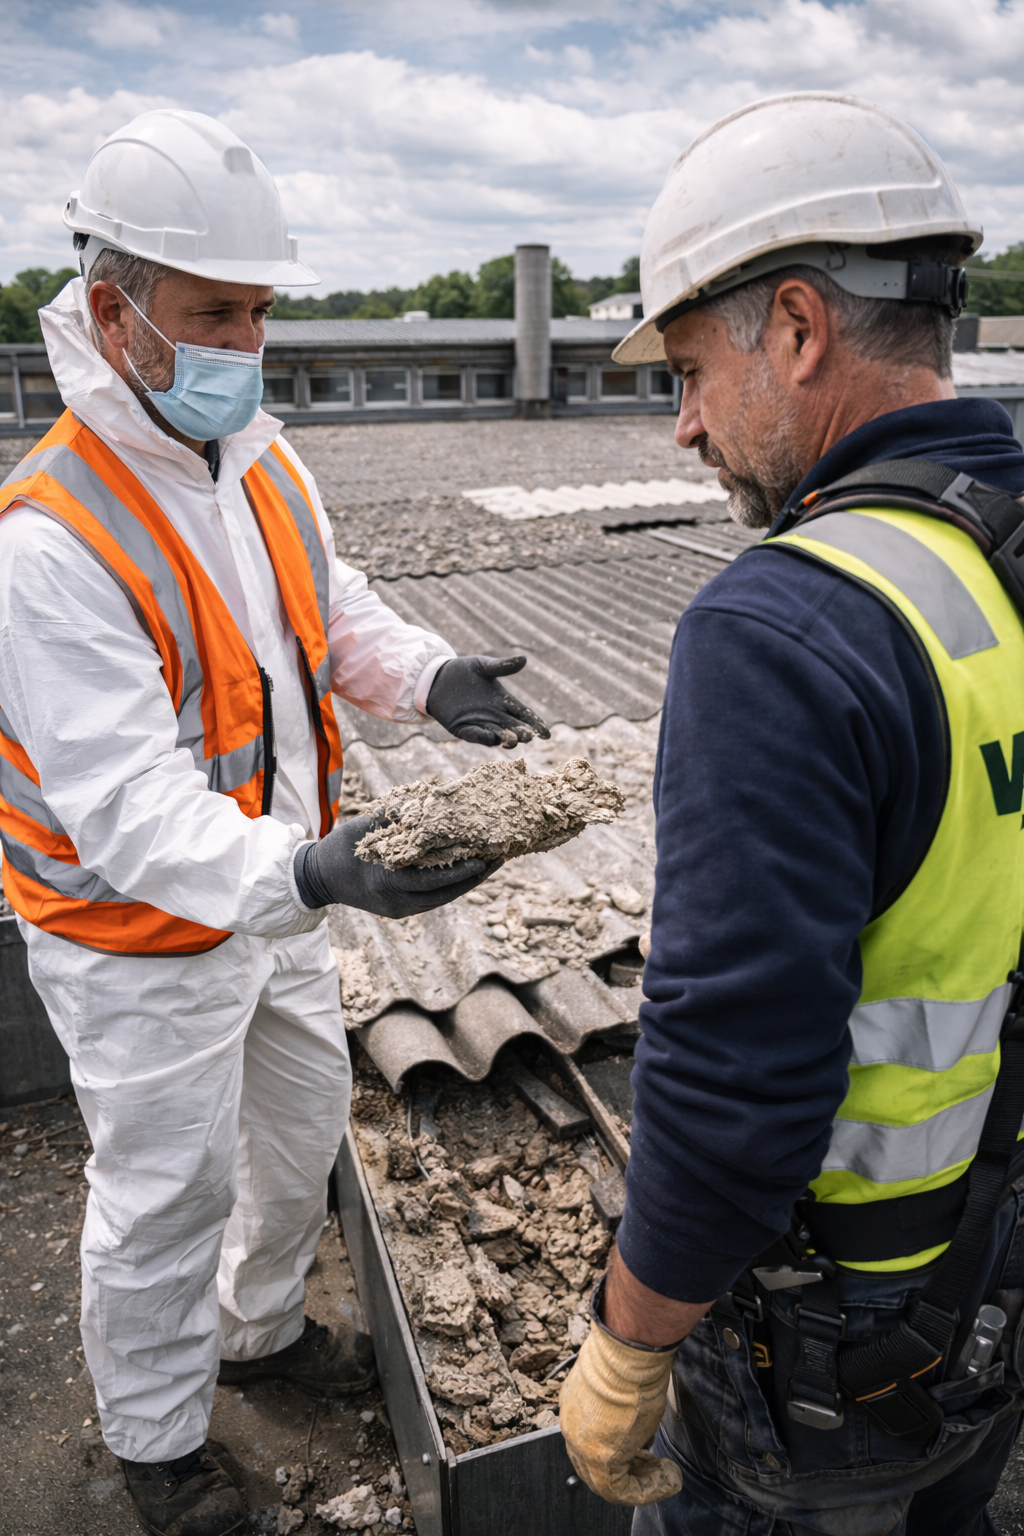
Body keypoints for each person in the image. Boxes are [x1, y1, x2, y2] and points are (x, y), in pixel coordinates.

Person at [0, 109, 547, 1536]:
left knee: (301, 1138)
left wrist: (428, 674)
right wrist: (309, 865)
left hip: (283, 900)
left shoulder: (257, 456)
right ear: (116, 314)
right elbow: (124, 810)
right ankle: (160, 1440)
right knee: (164, 1192)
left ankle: (257, 1332)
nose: (248, 339)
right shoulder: (50, 541)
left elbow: (329, 609)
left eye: (259, 308)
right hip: (139, 938)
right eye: (214, 311)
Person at [559, 93, 1024, 1535]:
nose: (684, 425)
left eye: (690, 370)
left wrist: (632, 1341)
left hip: (826, 1356)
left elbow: (738, 1079)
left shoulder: (789, 624)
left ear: (803, 329)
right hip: (990, 1300)